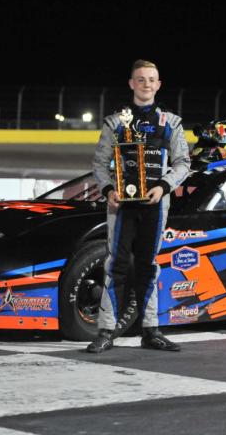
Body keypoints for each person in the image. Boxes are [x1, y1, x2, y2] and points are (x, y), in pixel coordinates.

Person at [88, 59, 191, 353]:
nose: (146, 84)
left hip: (156, 204)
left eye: (151, 79)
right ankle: (107, 331)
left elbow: (184, 163)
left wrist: (164, 186)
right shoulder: (115, 122)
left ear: (158, 85)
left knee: (149, 265)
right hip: (120, 205)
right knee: (115, 265)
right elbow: (99, 163)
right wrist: (108, 189)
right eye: (141, 79)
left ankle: (151, 331)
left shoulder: (170, 123)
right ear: (131, 84)